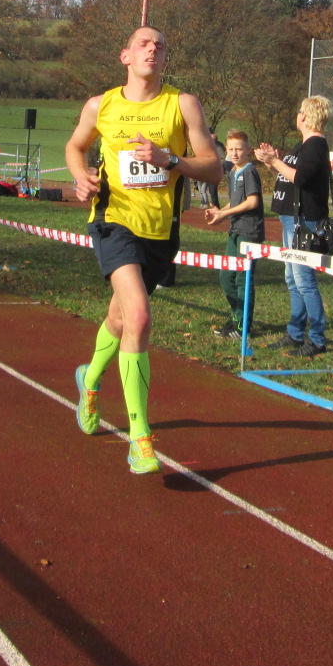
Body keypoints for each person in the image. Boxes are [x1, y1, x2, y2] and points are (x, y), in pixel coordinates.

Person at [65, 24, 222, 475]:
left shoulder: (183, 104)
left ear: (165, 59)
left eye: (160, 46)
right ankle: (140, 437)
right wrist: (80, 176)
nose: (152, 50)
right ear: (126, 56)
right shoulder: (100, 105)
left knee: (119, 317)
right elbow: (75, 146)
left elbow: (213, 169)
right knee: (138, 317)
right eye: (144, 44)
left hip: (160, 230)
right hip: (113, 221)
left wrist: (169, 159)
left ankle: (90, 380)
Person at [255, 95, 333, 357]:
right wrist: (271, 161)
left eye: (301, 111)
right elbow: (287, 176)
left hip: (304, 221)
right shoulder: (303, 145)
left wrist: (276, 162)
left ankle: (317, 339)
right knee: (292, 278)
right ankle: (295, 333)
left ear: (307, 116)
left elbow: (302, 179)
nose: (297, 114)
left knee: (304, 280)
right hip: (292, 219)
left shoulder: (315, 145)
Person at [204, 130, 263, 339]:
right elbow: (236, 202)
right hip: (235, 230)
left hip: (249, 232)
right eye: (231, 150)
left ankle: (243, 325)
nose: (235, 153)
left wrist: (225, 213)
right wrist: (220, 213)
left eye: (239, 149)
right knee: (226, 275)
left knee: (242, 278)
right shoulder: (232, 173)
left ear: (248, 150)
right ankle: (236, 317)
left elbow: (252, 201)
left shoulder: (249, 171)